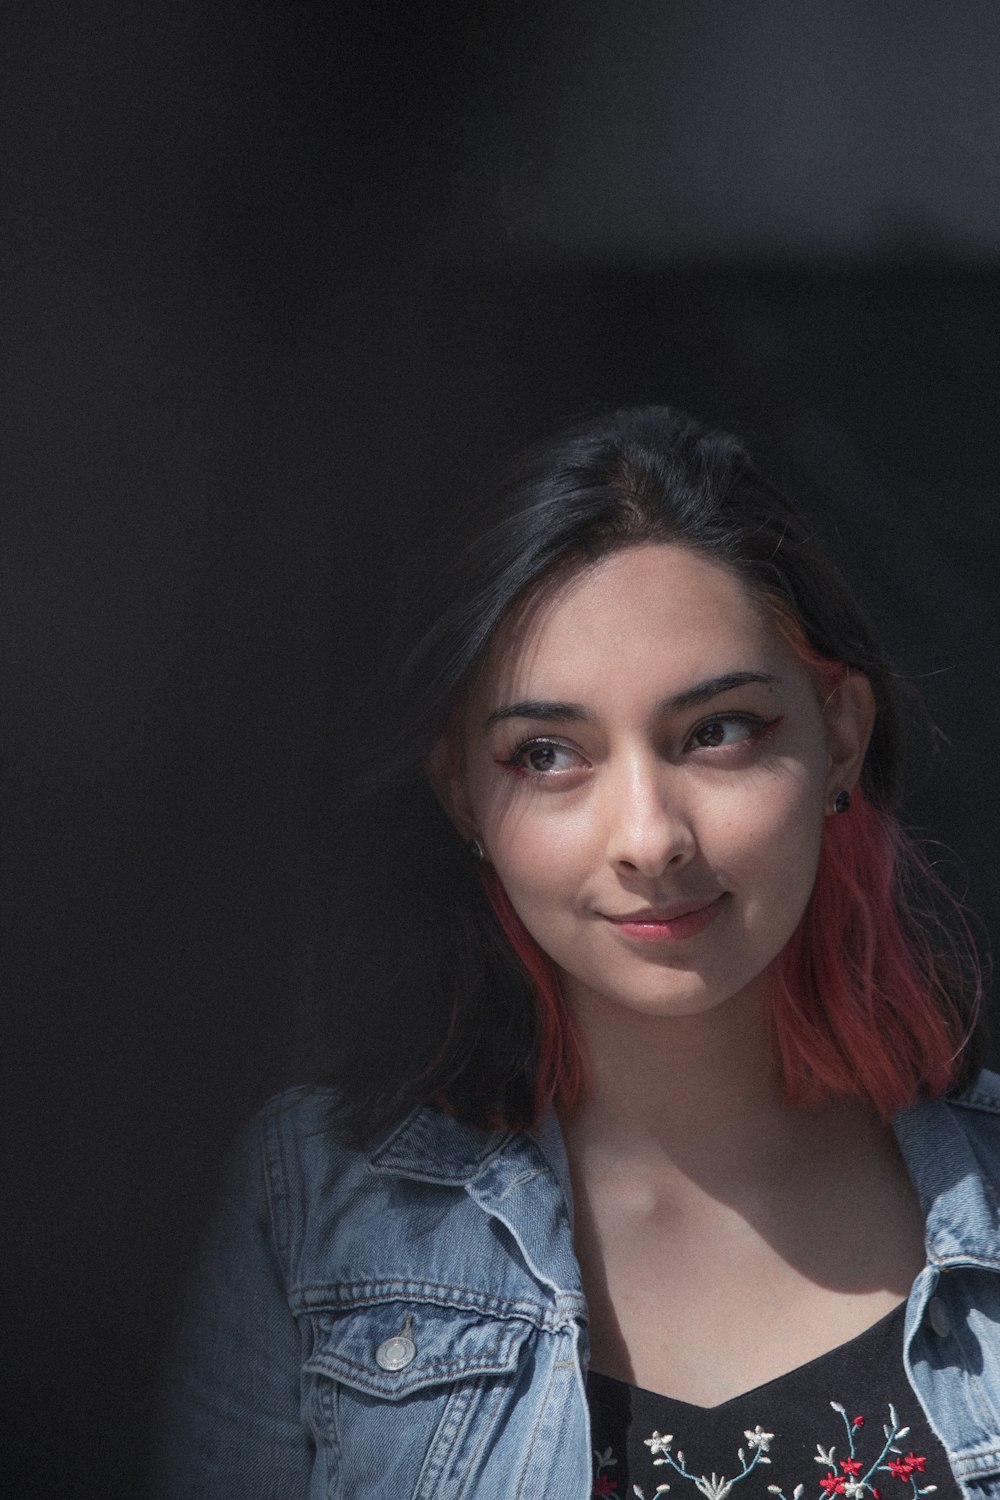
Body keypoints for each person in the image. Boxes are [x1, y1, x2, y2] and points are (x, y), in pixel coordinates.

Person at [153, 406, 999, 1500]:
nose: (648, 838)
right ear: (461, 788)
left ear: (837, 734)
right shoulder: (310, 1213)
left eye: (717, 730)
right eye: (548, 754)